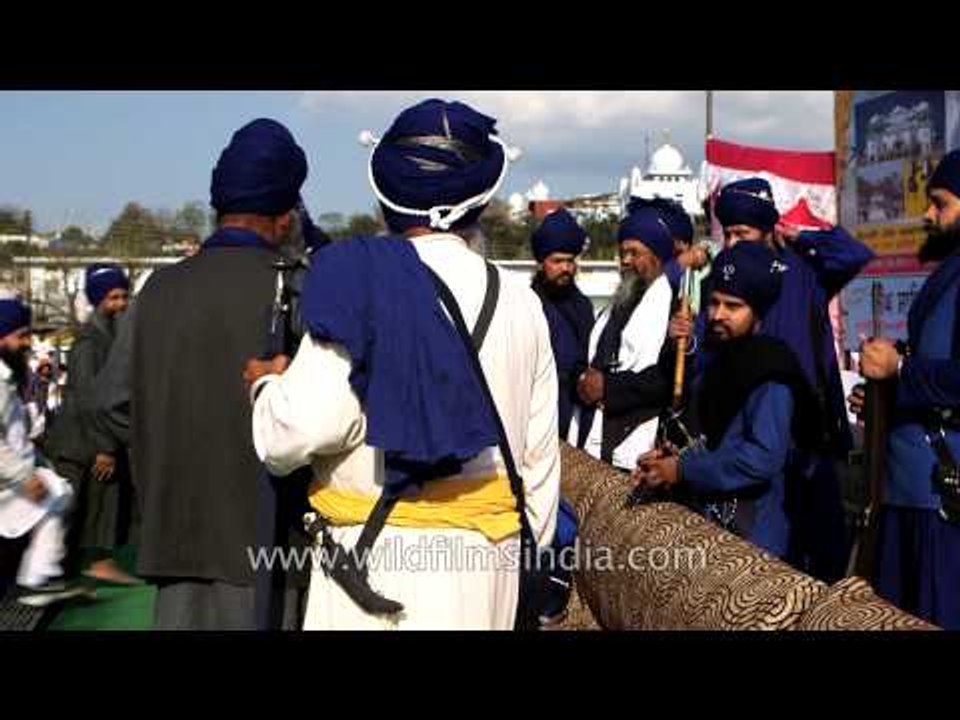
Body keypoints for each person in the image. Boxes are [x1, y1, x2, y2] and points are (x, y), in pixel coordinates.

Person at [248, 98, 561, 630]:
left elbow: (293, 436)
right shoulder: (522, 303)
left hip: (373, 575)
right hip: (492, 569)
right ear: (481, 202)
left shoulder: (357, 283)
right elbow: (539, 468)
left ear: (385, 198)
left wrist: (266, 388)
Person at [120, 118, 313, 630]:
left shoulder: (155, 290)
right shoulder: (297, 288)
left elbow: (111, 404)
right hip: (269, 545)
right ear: (285, 214)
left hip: (174, 539)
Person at [670, 177, 873, 581]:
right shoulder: (720, 282)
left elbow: (854, 253)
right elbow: (708, 360)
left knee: (820, 558)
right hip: (748, 436)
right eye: (726, 233)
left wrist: (800, 237)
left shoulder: (803, 270)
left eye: (742, 233)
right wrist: (687, 343)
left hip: (807, 437)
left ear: (768, 230)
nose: (733, 243)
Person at [633, 242, 820, 557]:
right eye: (714, 303)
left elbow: (760, 459)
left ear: (757, 311)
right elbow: (710, 438)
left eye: (732, 307)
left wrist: (681, 470)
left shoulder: (770, 372)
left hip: (752, 536)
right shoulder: (719, 361)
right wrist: (668, 458)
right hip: (709, 526)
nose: (718, 315)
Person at [851, 150, 960, 629]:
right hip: (910, 493)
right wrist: (883, 395)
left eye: (941, 203)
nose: (927, 214)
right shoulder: (949, 272)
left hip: (942, 502)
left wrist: (899, 370)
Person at [48, 263, 138, 586]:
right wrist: (104, 446)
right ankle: (88, 566)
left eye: (124, 296)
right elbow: (87, 398)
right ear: (99, 300)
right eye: (113, 298)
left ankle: (97, 563)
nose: (121, 304)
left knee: (99, 505)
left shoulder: (109, 337)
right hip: (81, 442)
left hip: (94, 438)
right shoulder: (90, 342)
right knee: (82, 509)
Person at [567, 207, 674, 472]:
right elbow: (584, 360)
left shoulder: (673, 311)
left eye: (634, 253)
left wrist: (608, 387)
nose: (625, 260)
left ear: (657, 257)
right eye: (622, 253)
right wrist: (582, 380)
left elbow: (664, 380)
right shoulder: (610, 308)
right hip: (590, 434)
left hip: (632, 446)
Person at [0, 298, 76, 601]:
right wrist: (24, 477)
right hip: (9, 481)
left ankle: (37, 576)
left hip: (13, 477)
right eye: (21, 336)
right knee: (59, 495)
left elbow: (17, 434)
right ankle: (36, 577)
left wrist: (37, 465)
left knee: (59, 492)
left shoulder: (9, 378)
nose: (27, 343)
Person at [529, 207, 595, 439]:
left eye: (570, 261)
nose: (565, 268)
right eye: (557, 261)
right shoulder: (526, 305)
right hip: (536, 416)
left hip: (576, 418)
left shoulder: (583, 307)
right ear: (541, 262)